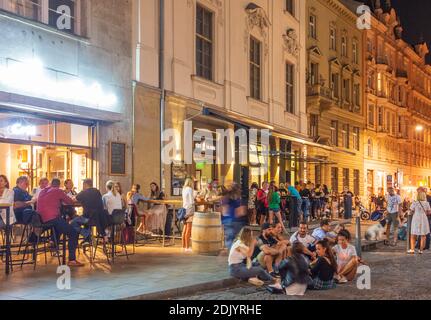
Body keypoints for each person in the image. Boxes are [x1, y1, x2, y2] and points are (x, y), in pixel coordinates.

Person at [37, 178, 84, 267]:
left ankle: (53, 242)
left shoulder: (42, 191)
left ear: (50, 184)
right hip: (52, 218)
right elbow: (70, 201)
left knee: (61, 224)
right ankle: (72, 260)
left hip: (40, 220)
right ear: (59, 185)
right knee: (73, 232)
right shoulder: (58, 191)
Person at [75, 179, 110, 243]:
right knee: (85, 217)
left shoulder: (84, 192)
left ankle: (87, 235)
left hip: (88, 218)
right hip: (99, 219)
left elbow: (76, 198)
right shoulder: (97, 191)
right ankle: (87, 238)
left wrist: (82, 191)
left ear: (85, 185)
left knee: (73, 222)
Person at [221, 181, 247, 250]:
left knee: (230, 241)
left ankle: (232, 255)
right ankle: (234, 256)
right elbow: (241, 211)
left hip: (227, 221)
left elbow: (224, 211)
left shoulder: (225, 198)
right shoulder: (239, 198)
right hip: (236, 221)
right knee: (237, 240)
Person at [182, 178, 194, 252]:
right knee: (189, 229)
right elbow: (191, 201)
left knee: (185, 228)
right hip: (189, 209)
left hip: (184, 208)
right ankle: (187, 247)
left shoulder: (184, 189)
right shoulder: (189, 189)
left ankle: (183, 246)